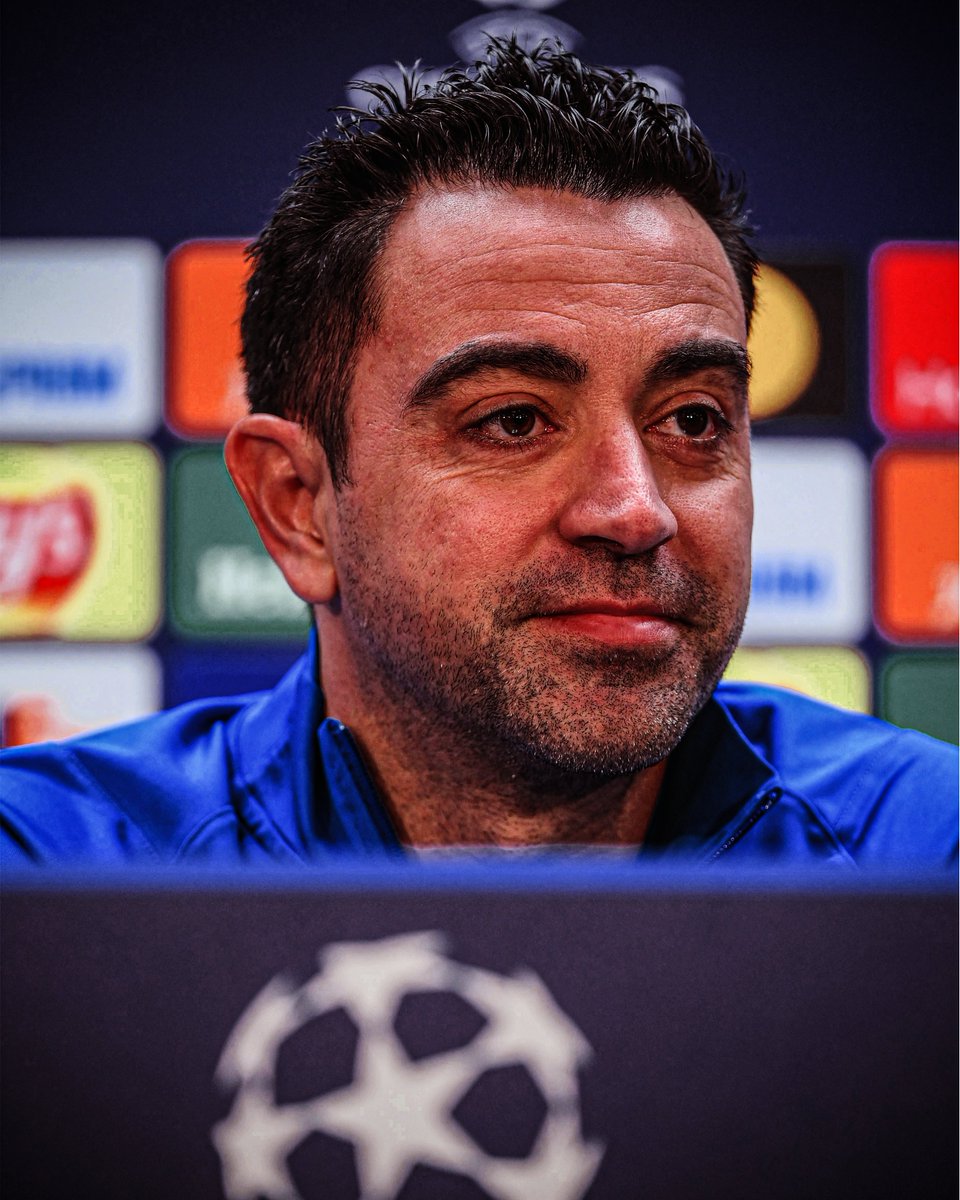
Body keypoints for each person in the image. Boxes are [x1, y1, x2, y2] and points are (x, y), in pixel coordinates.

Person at [1, 39, 956, 869]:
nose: (636, 510)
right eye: (513, 421)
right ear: (298, 505)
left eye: (695, 421)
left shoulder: (927, 856)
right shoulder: (46, 872)